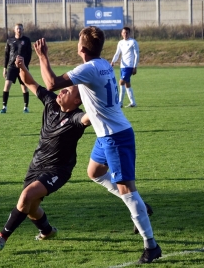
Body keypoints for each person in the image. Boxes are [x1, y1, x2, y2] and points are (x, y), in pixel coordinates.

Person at [33, 26, 161, 264]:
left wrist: (42, 56)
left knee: (127, 189)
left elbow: (51, 83)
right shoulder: (102, 64)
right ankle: (141, 207)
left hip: (116, 136)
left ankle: (151, 245)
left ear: (81, 48)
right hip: (107, 136)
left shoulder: (89, 68)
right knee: (94, 172)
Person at [0, 55, 91, 251]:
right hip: (36, 164)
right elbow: (29, 82)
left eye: (67, 90)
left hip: (57, 170)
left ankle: (2, 236)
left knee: (26, 196)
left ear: (77, 100)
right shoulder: (51, 102)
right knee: (31, 208)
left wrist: (99, 103)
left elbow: (88, 118)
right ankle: (47, 231)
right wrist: (22, 66)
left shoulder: (76, 118)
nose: (61, 91)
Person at [0, 23, 32, 114]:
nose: (19, 30)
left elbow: (29, 54)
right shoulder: (10, 40)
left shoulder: (26, 40)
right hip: (12, 67)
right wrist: (5, 68)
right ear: (14, 30)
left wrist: (25, 66)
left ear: (23, 30)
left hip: (22, 67)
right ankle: (4, 107)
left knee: (24, 87)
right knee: (7, 85)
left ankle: (26, 107)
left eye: (20, 28)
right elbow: (6, 55)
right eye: (17, 28)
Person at [110, 26, 139, 108]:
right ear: (121, 33)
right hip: (123, 66)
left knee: (121, 82)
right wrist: (113, 61)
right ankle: (133, 103)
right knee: (127, 84)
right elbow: (117, 53)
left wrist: (135, 66)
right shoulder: (120, 43)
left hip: (129, 66)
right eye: (124, 32)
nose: (125, 34)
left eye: (127, 33)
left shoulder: (133, 42)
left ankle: (120, 103)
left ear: (129, 33)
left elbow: (137, 55)